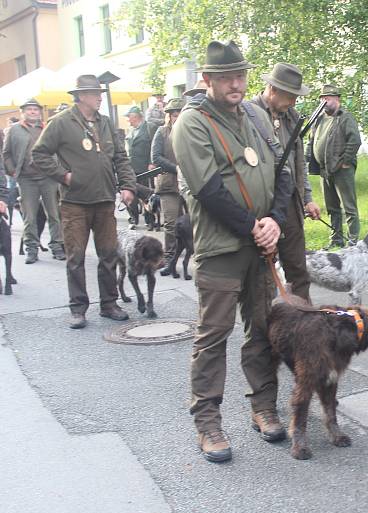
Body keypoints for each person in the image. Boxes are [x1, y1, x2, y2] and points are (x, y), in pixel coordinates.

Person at [171, 40, 294, 463]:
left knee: (263, 330)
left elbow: (283, 172)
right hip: (221, 248)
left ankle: (263, 408)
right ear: (207, 80)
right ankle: (208, 424)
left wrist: (275, 218)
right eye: (226, 77)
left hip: (260, 247)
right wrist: (253, 227)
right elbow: (209, 191)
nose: (235, 84)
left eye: (240, 76)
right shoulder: (191, 123)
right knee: (213, 336)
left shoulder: (258, 115)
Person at [32, 74, 136, 329]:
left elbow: (120, 157)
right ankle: (78, 308)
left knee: (109, 254)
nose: (100, 97)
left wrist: (127, 185)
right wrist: (63, 175)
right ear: (80, 96)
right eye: (94, 93)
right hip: (74, 202)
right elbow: (39, 154)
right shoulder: (61, 123)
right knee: (76, 257)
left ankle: (109, 304)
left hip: (104, 200)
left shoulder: (106, 123)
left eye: (99, 93)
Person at [249, 62, 321, 303]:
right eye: (290, 96)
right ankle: (268, 326)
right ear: (272, 89)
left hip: (290, 202)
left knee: (298, 270)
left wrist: (308, 198)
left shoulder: (292, 118)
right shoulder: (247, 115)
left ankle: (306, 323)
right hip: (260, 203)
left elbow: (298, 164)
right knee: (264, 274)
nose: (293, 102)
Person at [2, 98, 65, 263]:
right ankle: (31, 248)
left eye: (35, 109)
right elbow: (6, 153)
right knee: (29, 216)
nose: (32, 112)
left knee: (53, 214)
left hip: (48, 177)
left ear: (39, 112)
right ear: (23, 112)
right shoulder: (14, 130)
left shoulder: (47, 128)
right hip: (26, 179)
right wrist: (12, 170)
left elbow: (58, 150)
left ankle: (57, 246)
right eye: (29, 109)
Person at [306, 84, 361, 248]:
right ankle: (335, 240)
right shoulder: (319, 118)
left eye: (327, 98)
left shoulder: (345, 118)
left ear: (337, 99)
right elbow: (311, 140)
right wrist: (307, 158)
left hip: (342, 170)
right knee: (332, 208)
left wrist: (345, 161)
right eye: (322, 98)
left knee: (349, 207)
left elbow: (355, 141)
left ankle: (353, 242)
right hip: (325, 170)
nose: (324, 101)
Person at [150, 98, 184, 266]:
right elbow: (155, 157)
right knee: (171, 223)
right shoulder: (162, 132)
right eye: (174, 115)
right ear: (169, 116)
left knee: (193, 221)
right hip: (169, 184)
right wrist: (176, 168)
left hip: (189, 183)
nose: (177, 118)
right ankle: (169, 256)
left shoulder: (190, 131)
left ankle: (189, 251)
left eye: (180, 114)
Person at [125, 106, 155, 228]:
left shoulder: (149, 127)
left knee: (146, 195)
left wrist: (152, 162)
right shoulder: (131, 131)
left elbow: (155, 145)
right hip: (131, 168)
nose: (128, 120)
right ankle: (134, 218)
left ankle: (150, 219)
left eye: (129, 117)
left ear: (135, 116)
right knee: (131, 193)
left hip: (145, 168)